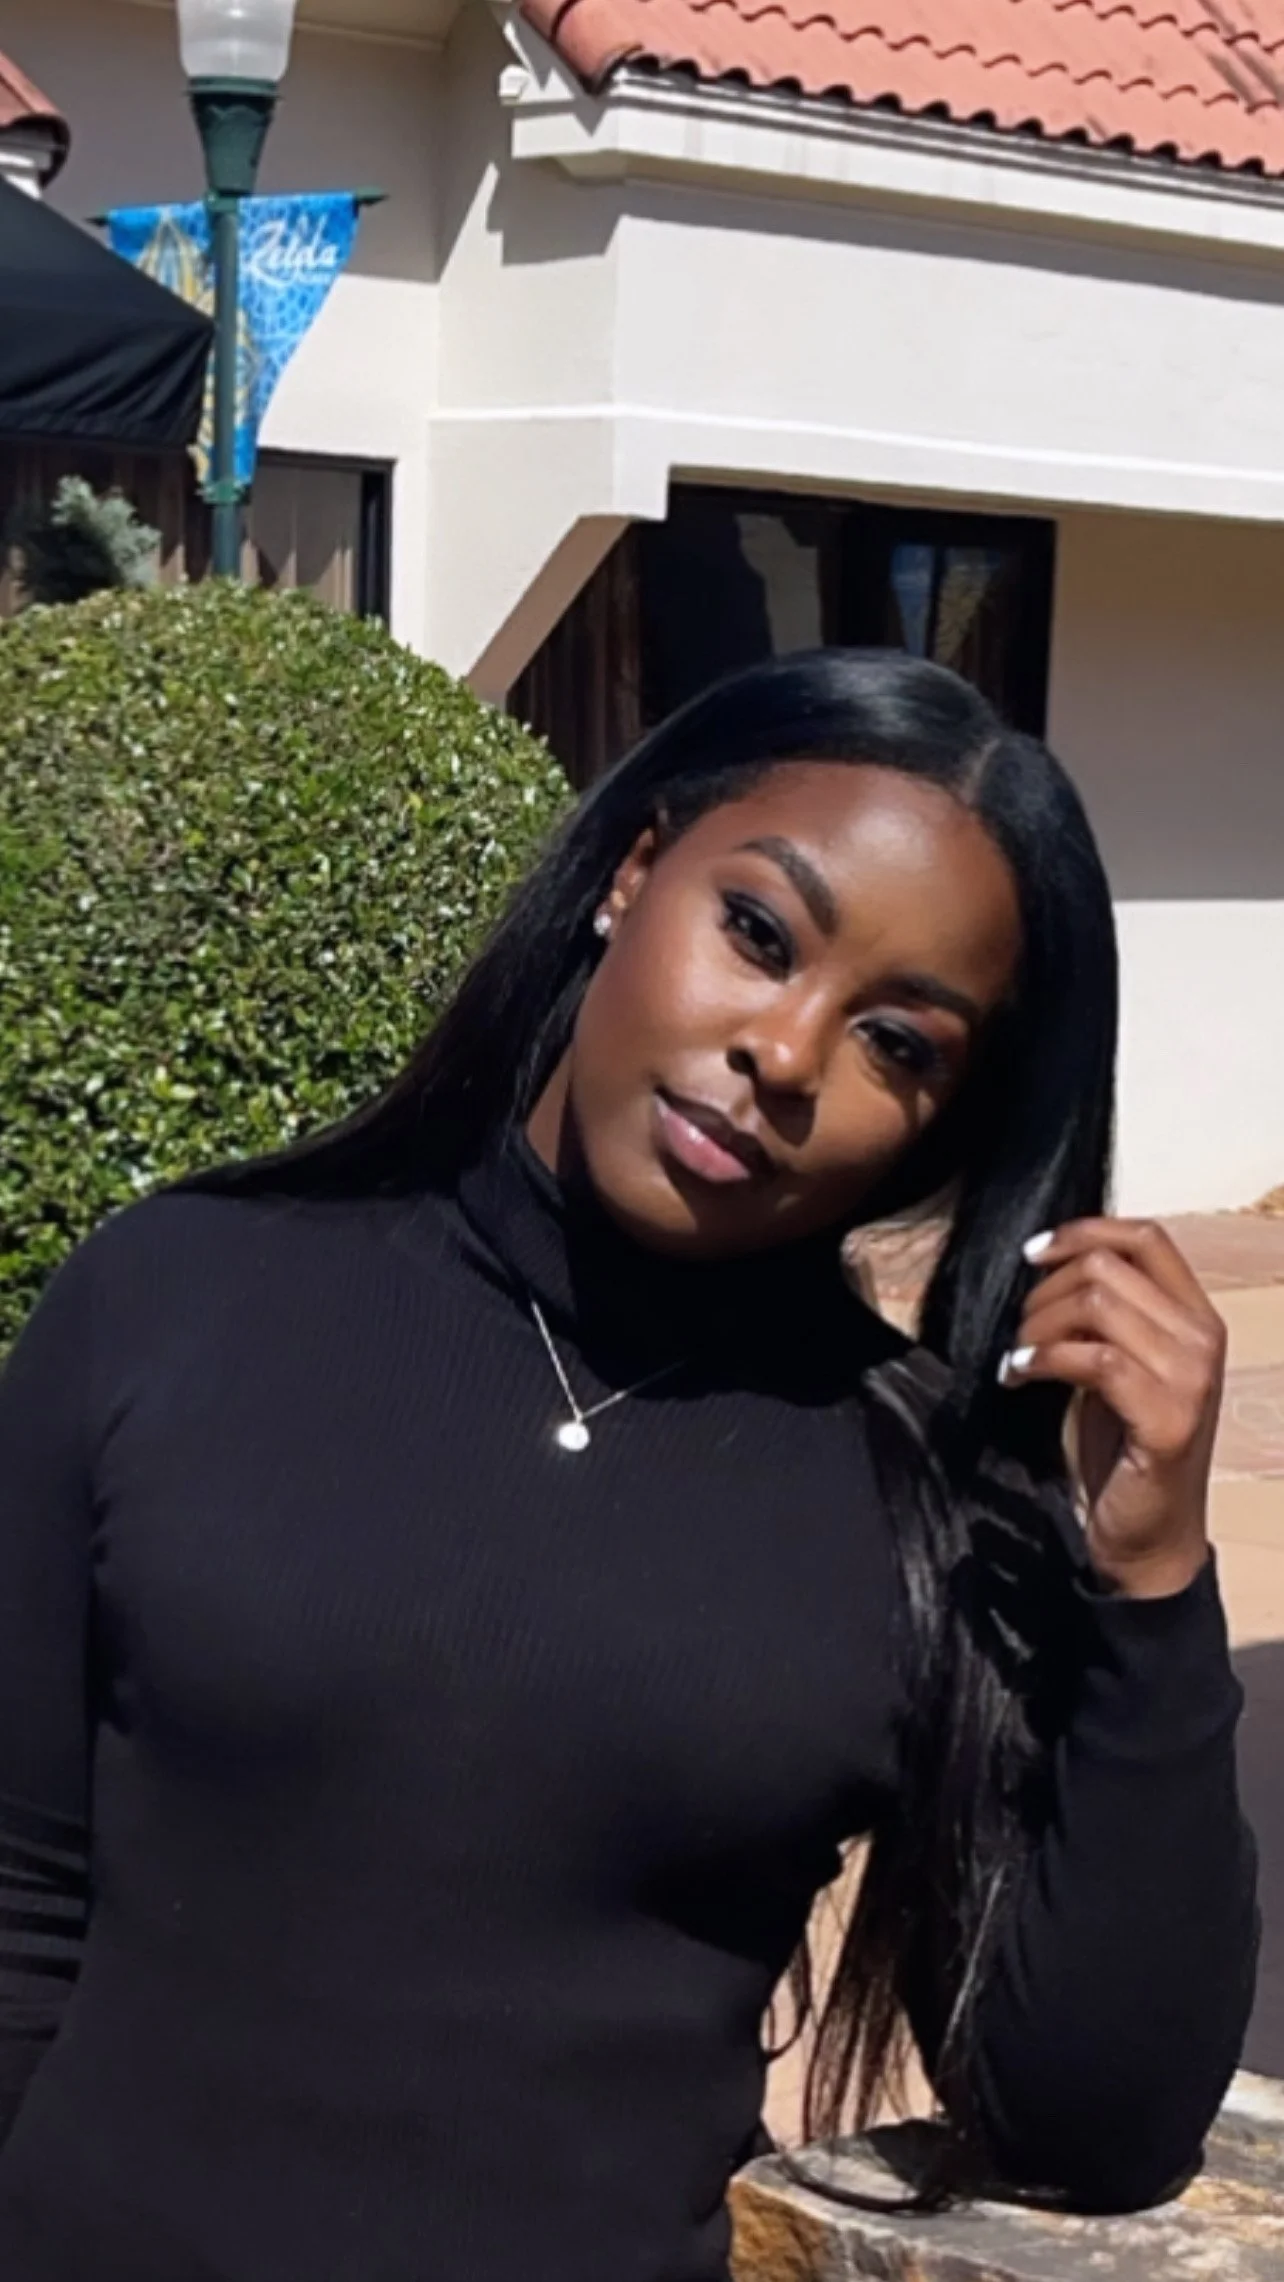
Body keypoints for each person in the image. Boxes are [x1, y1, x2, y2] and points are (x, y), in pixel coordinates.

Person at [0, 651, 1256, 2282]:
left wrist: (1147, 1591)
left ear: (944, 1128)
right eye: (759, 932)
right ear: (632, 869)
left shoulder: (913, 1499)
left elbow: (1096, 2119)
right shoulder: (180, 1291)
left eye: (899, 1041)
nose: (788, 1052)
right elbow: (16, 1894)